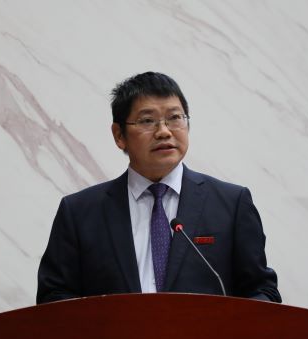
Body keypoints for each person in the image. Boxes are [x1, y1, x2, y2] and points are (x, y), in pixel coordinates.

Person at [37, 72, 281, 303]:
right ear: (119, 135)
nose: (164, 132)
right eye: (147, 121)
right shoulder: (79, 212)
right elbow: (54, 297)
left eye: (175, 118)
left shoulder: (231, 203)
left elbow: (262, 290)